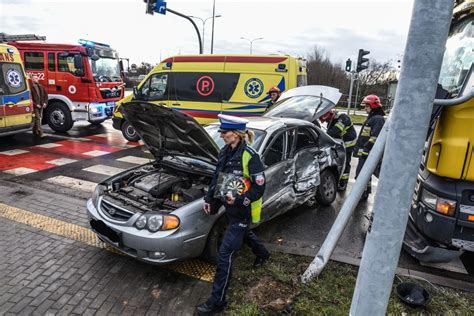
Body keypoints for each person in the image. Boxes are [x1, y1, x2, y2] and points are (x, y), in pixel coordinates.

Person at [197, 114, 270, 315]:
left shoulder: (250, 156)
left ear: (236, 134)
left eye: (224, 132)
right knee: (244, 233)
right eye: (221, 131)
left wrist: (239, 200)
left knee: (225, 254)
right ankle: (263, 254)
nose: (221, 135)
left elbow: (259, 188)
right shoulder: (225, 151)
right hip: (229, 207)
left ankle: (217, 302)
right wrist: (210, 200)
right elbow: (217, 177)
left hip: (242, 211)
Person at [353, 94, 386, 200]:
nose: (365, 108)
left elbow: (374, 137)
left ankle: (361, 194)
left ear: (373, 106)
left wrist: (366, 149)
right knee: (365, 175)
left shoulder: (377, 119)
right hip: (365, 153)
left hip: (368, 153)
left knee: (361, 175)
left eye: (367, 106)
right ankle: (365, 193)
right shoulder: (373, 118)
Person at [319, 108, 357, 191]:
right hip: (341, 144)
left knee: (345, 162)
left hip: (348, 144)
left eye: (326, 120)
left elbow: (335, 131)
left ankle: (344, 182)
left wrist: (322, 135)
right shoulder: (332, 120)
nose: (326, 122)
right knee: (339, 162)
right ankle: (339, 180)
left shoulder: (343, 118)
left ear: (329, 115)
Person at [30, 74, 48, 138]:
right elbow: (30, 98)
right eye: (35, 78)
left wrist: (45, 103)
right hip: (35, 106)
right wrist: (36, 104)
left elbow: (46, 95)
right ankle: (41, 133)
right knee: (38, 118)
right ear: (32, 79)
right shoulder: (30, 87)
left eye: (37, 78)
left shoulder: (41, 86)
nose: (37, 79)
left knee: (37, 118)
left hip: (41, 105)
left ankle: (35, 131)